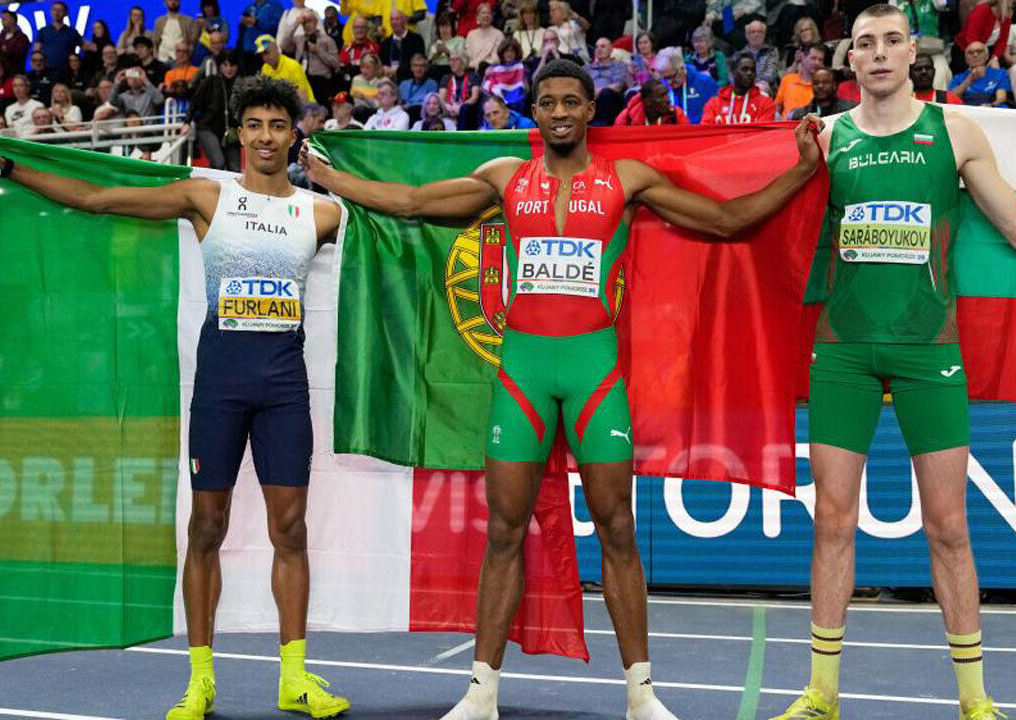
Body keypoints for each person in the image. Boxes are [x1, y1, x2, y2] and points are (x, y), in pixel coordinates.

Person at [299, 56, 821, 720]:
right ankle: (480, 694)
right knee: (505, 532)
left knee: (618, 528)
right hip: (522, 377)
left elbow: (725, 221)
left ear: (588, 110)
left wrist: (802, 170)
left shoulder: (625, 178)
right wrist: (330, 177)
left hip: (593, 376)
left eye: (573, 101)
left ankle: (642, 695)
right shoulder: (505, 178)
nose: (561, 112)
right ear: (536, 112)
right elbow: (409, 203)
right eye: (548, 103)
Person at [763, 5, 1016, 720]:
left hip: (929, 355)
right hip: (842, 353)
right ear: (849, 61)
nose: (878, 54)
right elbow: (775, 230)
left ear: (913, 51)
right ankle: (821, 695)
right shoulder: (825, 137)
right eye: (865, 44)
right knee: (832, 525)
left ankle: (976, 701)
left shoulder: (954, 131)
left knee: (947, 527)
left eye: (891, 41)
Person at [0, 74, 349, 720]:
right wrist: (15, 168)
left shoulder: (320, 212)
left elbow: (405, 216)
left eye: (277, 125)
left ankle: (294, 677)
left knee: (291, 530)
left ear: (294, 134)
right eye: (253, 124)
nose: (264, 136)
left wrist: (343, 177)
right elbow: (97, 196)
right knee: (206, 528)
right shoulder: (205, 197)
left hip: (283, 389)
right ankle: (200, 681)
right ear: (238, 133)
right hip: (221, 389)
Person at [186, 53, 242, 171]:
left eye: (232, 65)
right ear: (220, 66)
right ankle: (215, 187)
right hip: (207, 127)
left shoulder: (242, 84)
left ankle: (224, 188)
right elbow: (194, 101)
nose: (229, 69)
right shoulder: (210, 81)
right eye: (225, 64)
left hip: (231, 131)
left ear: (237, 66)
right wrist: (187, 122)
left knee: (236, 169)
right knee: (218, 162)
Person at [702, 51, 777, 123]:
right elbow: (706, 132)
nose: (749, 73)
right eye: (744, 69)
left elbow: (764, 134)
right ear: (733, 72)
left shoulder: (766, 103)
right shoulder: (714, 104)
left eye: (752, 70)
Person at [285, 11, 341, 103]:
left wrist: (319, 51)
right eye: (304, 23)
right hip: (301, 80)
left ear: (316, 22)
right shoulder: (298, 39)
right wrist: (295, 24)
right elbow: (284, 44)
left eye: (310, 21)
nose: (307, 25)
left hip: (321, 81)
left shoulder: (327, 40)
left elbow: (336, 64)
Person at [654, 46, 720, 122]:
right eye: (665, 78)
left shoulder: (705, 83)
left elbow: (718, 113)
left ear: (682, 68)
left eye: (672, 77)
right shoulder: (660, 87)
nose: (669, 82)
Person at [258, 34, 315, 103]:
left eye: (267, 52)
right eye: (262, 55)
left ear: (276, 47)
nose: (265, 58)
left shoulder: (293, 66)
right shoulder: (265, 68)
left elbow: (303, 98)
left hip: (307, 108)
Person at [951, 41, 1012, 105]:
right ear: (966, 59)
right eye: (970, 53)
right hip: (968, 109)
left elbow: (1001, 98)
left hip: (993, 109)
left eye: (979, 52)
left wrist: (991, 106)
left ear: (987, 56)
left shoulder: (1000, 73)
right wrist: (969, 79)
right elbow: (952, 98)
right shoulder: (957, 78)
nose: (975, 55)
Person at [776, 42, 827, 119]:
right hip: (786, 127)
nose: (817, 63)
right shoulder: (788, 79)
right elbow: (777, 107)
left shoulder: (822, 86)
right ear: (803, 57)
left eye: (820, 60)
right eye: (813, 58)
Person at [615, 77, 691, 125]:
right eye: (661, 96)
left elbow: (689, 141)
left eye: (667, 94)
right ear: (647, 101)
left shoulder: (676, 114)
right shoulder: (627, 118)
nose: (668, 100)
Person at [34, 2, 85, 72]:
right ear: (51, 12)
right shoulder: (43, 31)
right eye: (54, 10)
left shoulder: (72, 32)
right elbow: (36, 51)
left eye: (60, 10)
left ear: (65, 13)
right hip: (47, 71)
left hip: (67, 71)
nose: (57, 13)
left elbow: (85, 47)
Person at [790, 66, 857, 118]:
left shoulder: (849, 111)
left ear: (834, 85)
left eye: (825, 82)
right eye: (816, 82)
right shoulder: (800, 115)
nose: (820, 86)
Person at [441, 49, 483, 129]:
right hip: (448, 109)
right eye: (451, 60)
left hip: (466, 111)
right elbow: (441, 99)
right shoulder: (446, 78)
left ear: (463, 61)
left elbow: (474, 97)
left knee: (465, 109)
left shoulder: (473, 76)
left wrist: (460, 107)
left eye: (456, 59)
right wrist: (448, 107)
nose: (452, 63)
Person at [380, 10, 426, 82]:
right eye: (392, 19)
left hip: (410, 80)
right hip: (388, 80)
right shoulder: (385, 43)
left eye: (397, 19)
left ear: (404, 20)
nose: (394, 22)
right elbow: (381, 62)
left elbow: (419, 63)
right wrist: (384, 68)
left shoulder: (416, 39)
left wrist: (397, 70)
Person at [743, 20, 781, 94]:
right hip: (745, 84)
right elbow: (734, 74)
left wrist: (752, 82)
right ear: (747, 35)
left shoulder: (772, 51)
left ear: (764, 34)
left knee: (760, 87)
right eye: (753, 32)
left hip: (766, 86)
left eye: (759, 32)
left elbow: (770, 74)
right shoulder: (741, 54)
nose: (756, 34)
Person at [0, 8, 30, 78]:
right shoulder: (0, 37)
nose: (2, 22)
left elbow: (18, 53)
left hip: (15, 74)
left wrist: (4, 47)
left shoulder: (21, 37)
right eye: (1, 19)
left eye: (4, 19)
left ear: (12, 20)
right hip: (2, 76)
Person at [428, 13, 467, 82]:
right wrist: (436, 54)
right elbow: (429, 60)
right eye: (442, 27)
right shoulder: (436, 43)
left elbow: (463, 59)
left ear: (452, 27)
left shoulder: (460, 40)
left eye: (447, 26)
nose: (444, 30)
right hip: (437, 71)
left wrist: (447, 51)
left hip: (452, 70)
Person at [466, 4, 505, 69]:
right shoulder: (471, 35)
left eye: (488, 13)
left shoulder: (498, 34)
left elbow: (496, 58)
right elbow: (469, 57)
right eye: (483, 13)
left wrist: (483, 65)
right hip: (473, 71)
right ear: (477, 17)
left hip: (492, 70)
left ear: (492, 17)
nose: (486, 15)